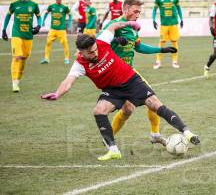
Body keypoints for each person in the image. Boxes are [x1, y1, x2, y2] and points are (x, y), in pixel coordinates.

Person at [41, 21, 200, 161]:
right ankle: (113, 150)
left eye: (95, 49)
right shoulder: (79, 65)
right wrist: (57, 93)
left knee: (155, 104)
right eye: (90, 52)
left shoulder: (102, 40)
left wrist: (130, 24)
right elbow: (68, 82)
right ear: (81, 52)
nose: (95, 53)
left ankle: (187, 133)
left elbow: (114, 25)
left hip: (131, 81)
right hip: (112, 90)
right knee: (99, 110)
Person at [102, 0, 177, 146]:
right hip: (114, 74)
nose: (137, 15)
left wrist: (161, 49)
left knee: (151, 99)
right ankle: (108, 139)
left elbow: (139, 47)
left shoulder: (132, 28)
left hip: (129, 72)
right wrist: (115, 40)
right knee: (127, 110)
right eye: (135, 11)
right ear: (126, 9)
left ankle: (155, 134)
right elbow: (99, 42)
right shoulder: (113, 25)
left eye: (139, 12)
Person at [1, 0, 42, 92]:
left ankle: (18, 79)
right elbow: (7, 17)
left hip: (28, 35)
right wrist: (4, 29)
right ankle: (14, 82)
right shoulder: (14, 4)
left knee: (24, 58)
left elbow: (39, 17)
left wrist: (38, 26)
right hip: (16, 34)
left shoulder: (33, 5)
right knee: (17, 56)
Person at [152, 0, 183, 69]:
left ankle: (175, 62)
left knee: (174, 42)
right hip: (164, 25)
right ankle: (158, 62)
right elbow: (154, 10)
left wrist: (181, 19)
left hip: (174, 24)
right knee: (161, 43)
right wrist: (153, 20)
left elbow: (179, 8)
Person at [40, 0, 72, 65]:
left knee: (65, 44)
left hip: (61, 30)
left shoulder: (64, 7)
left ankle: (66, 58)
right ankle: (46, 58)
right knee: (48, 43)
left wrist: (69, 25)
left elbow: (70, 15)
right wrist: (43, 22)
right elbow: (46, 13)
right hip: (53, 29)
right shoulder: (51, 6)